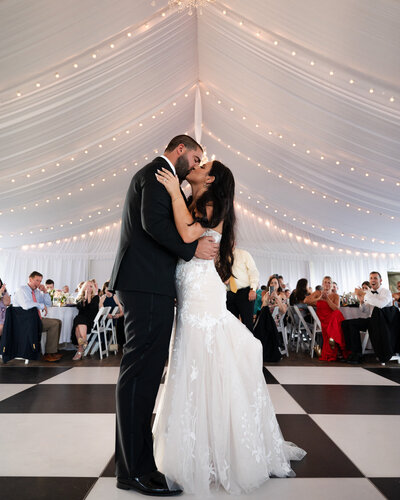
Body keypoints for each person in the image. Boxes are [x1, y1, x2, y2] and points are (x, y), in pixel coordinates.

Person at [153, 160, 305, 495]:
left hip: (201, 292)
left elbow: (189, 233)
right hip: (189, 286)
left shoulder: (212, 204)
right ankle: (198, 444)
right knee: (190, 359)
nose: (197, 164)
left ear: (210, 178)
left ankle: (217, 449)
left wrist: (173, 193)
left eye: (203, 164)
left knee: (205, 356)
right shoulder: (197, 201)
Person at [108, 135, 218, 496]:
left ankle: (134, 464)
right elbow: (154, 225)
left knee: (142, 372)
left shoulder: (160, 175)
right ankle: (134, 471)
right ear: (181, 150)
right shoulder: (158, 172)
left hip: (147, 283)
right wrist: (191, 248)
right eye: (197, 157)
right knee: (140, 374)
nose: (197, 165)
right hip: (147, 284)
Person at [341, 271, 393, 364]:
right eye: (371, 278)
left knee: (353, 324)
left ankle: (357, 355)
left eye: (375, 278)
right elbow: (365, 311)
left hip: (382, 323)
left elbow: (380, 304)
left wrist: (365, 295)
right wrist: (361, 302)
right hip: (370, 320)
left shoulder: (386, 292)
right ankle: (352, 353)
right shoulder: (369, 293)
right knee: (346, 323)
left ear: (380, 280)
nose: (373, 280)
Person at [13, 271, 62, 362]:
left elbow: (48, 304)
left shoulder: (37, 292)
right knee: (54, 324)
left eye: (40, 281)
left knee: (58, 321)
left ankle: (53, 351)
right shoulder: (22, 290)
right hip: (25, 321)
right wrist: (41, 306)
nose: (38, 283)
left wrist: (45, 292)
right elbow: (26, 305)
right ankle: (48, 354)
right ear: (30, 279)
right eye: (36, 280)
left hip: (34, 319)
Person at [305, 276, 348, 361]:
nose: (327, 284)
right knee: (338, 319)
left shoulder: (335, 296)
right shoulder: (318, 292)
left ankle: (336, 347)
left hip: (332, 319)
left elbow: (336, 308)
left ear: (332, 285)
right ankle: (338, 348)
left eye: (329, 282)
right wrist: (319, 298)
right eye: (325, 282)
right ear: (322, 284)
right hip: (322, 319)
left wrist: (327, 299)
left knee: (337, 315)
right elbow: (306, 301)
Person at [226, 247, 259, 331]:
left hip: (245, 292)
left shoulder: (244, 254)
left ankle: (250, 344)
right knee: (231, 324)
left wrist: (253, 289)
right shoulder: (221, 256)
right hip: (228, 293)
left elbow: (253, 272)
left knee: (247, 324)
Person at [71, 281, 100, 360]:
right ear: (83, 288)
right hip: (82, 320)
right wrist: (86, 297)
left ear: (93, 288)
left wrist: (89, 296)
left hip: (91, 321)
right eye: (87, 286)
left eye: (90, 286)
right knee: (79, 319)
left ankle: (80, 349)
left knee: (78, 322)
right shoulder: (80, 297)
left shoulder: (96, 297)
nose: (88, 288)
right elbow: (81, 308)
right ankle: (84, 341)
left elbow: (91, 309)